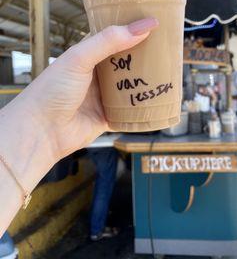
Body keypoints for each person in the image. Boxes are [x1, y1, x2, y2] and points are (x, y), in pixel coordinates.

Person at [0, 17, 158, 237]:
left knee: (105, 180)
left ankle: (97, 225)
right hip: (96, 139)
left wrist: (43, 125)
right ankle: (97, 228)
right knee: (105, 181)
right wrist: (42, 124)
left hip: (89, 134)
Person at [89, 147, 119, 241]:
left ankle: (97, 225)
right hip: (103, 147)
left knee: (101, 184)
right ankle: (97, 230)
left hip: (93, 146)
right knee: (104, 187)